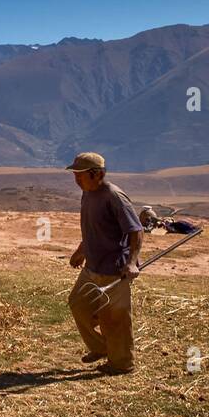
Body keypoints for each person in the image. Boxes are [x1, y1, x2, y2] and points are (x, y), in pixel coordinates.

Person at [65, 152, 143, 375]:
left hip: (114, 269)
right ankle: (100, 348)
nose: (76, 180)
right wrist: (81, 251)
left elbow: (136, 231)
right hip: (93, 266)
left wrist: (131, 263)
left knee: (114, 318)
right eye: (75, 175)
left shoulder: (114, 196)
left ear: (97, 174)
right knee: (79, 305)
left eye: (80, 175)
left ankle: (122, 364)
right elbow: (93, 228)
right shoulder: (87, 194)